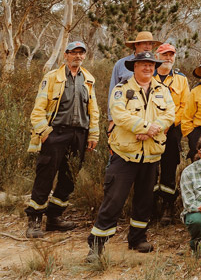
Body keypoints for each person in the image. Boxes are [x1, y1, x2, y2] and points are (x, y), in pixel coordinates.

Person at [87, 52, 175, 261]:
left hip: (151, 155)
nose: (147, 68)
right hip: (125, 155)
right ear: (134, 67)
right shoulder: (121, 89)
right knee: (114, 200)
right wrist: (144, 126)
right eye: (143, 64)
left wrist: (153, 129)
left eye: (150, 65)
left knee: (144, 200)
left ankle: (137, 238)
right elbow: (118, 114)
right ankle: (97, 245)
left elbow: (169, 114)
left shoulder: (162, 90)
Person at [25, 41, 99, 238]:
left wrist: (93, 134)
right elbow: (38, 109)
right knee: (45, 176)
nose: (77, 56)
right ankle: (34, 220)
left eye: (81, 53)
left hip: (80, 135)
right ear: (65, 55)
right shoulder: (52, 78)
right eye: (73, 53)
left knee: (69, 177)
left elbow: (93, 109)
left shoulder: (88, 79)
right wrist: (44, 132)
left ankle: (54, 217)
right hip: (55, 134)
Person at [152, 43, 190, 224]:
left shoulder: (181, 80)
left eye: (171, 55)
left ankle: (167, 206)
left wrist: (169, 124)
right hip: (150, 129)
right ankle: (150, 206)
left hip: (172, 130)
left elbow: (185, 105)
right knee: (150, 168)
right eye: (164, 54)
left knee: (168, 168)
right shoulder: (148, 76)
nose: (168, 58)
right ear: (157, 56)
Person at [108, 31, 161, 123]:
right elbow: (113, 91)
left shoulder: (156, 65)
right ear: (136, 44)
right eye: (145, 43)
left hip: (152, 118)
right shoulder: (121, 64)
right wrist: (112, 119)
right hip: (126, 117)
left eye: (150, 44)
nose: (148, 47)